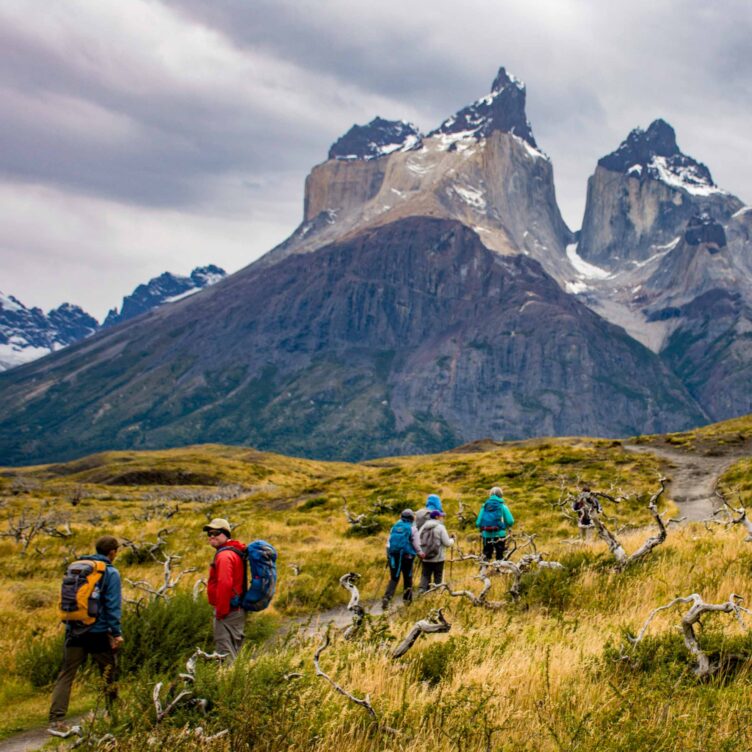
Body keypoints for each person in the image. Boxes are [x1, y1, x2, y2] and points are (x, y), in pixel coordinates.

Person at [49, 535, 123, 733]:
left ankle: (56, 720)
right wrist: (116, 633)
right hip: (98, 632)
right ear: (113, 552)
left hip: (73, 629)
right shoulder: (110, 572)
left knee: (66, 674)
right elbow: (112, 606)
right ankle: (113, 713)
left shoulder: (78, 567)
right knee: (109, 673)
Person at [205, 517, 247, 662]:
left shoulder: (224, 556)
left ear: (226, 534)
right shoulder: (234, 551)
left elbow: (225, 584)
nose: (211, 536)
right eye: (209, 533)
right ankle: (237, 680)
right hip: (236, 609)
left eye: (216, 533)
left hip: (228, 611)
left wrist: (221, 612)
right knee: (233, 651)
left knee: (225, 653)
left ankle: (228, 682)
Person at [382, 509, 424, 609]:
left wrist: (389, 555)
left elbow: (389, 543)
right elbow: (416, 544)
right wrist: (420, 553)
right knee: (408, 578)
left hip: (394, 557)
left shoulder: (394, 527)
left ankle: (387, 597)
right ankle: (407, 601)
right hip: (407, 557)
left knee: (394, 578)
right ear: (412, 518)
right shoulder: (412, 528)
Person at [418, 509, 455, 593]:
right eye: (441, 516)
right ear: (437, 517)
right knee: (438, 576)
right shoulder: (440, 527)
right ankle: (436, 594)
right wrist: (452, 540)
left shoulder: (423, 526)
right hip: (438, 558)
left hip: (425, 556)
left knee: (425, 575)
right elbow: (447, 543)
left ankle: (422, 591)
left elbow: (418, 539)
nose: (442, 518)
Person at [476, 486, 514, 560]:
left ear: (490, 495)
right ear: (501, 495)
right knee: (499, 556)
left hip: (486, 535)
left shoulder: (484, 506)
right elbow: (510, 521)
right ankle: (498, 570)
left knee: (486, 556)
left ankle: (484, 570)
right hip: (500, 535)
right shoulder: (503, 506)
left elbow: (478, 523)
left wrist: (483, 528)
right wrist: (504, 526)